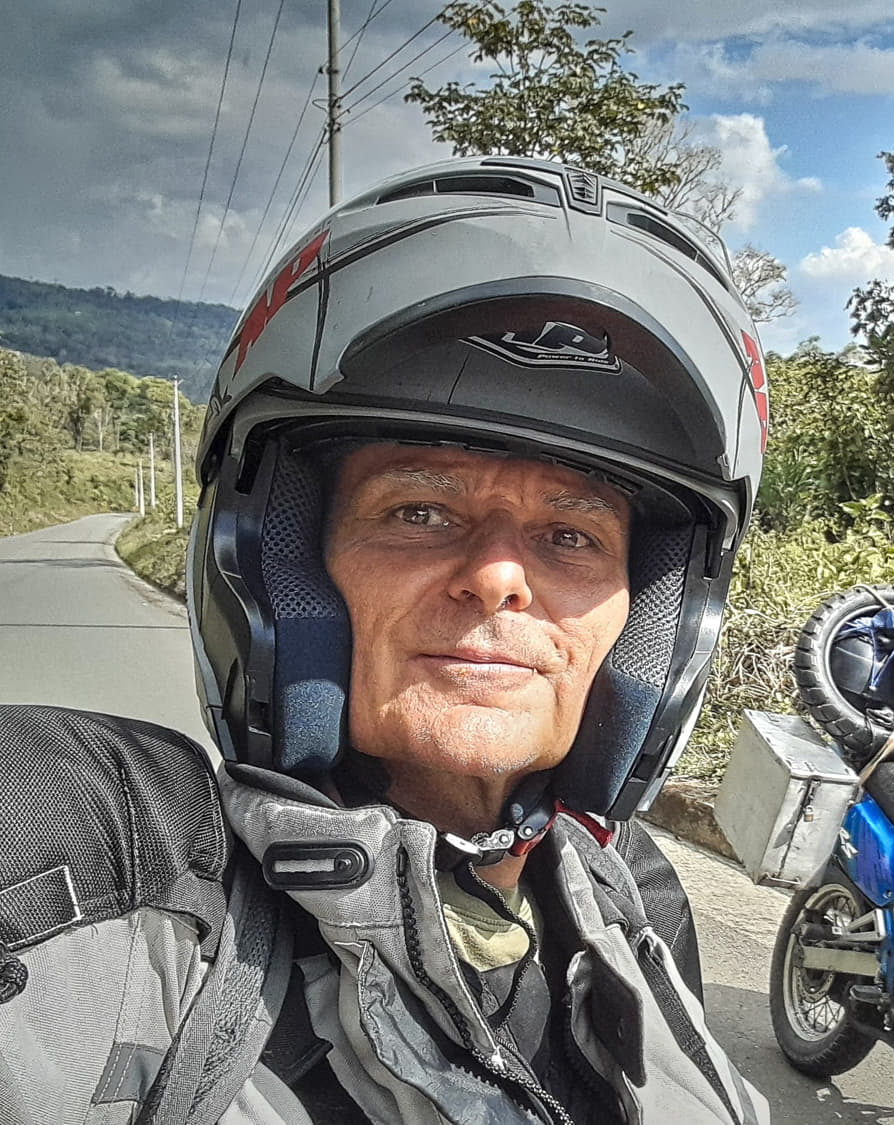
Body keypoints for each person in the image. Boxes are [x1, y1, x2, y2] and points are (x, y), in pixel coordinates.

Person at [0, 156, 770, 1125]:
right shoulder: (110, 871)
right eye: (419, 511)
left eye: (572, 535)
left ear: (649, 628)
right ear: (282, 565)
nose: (499, 575)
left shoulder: (632, 908)